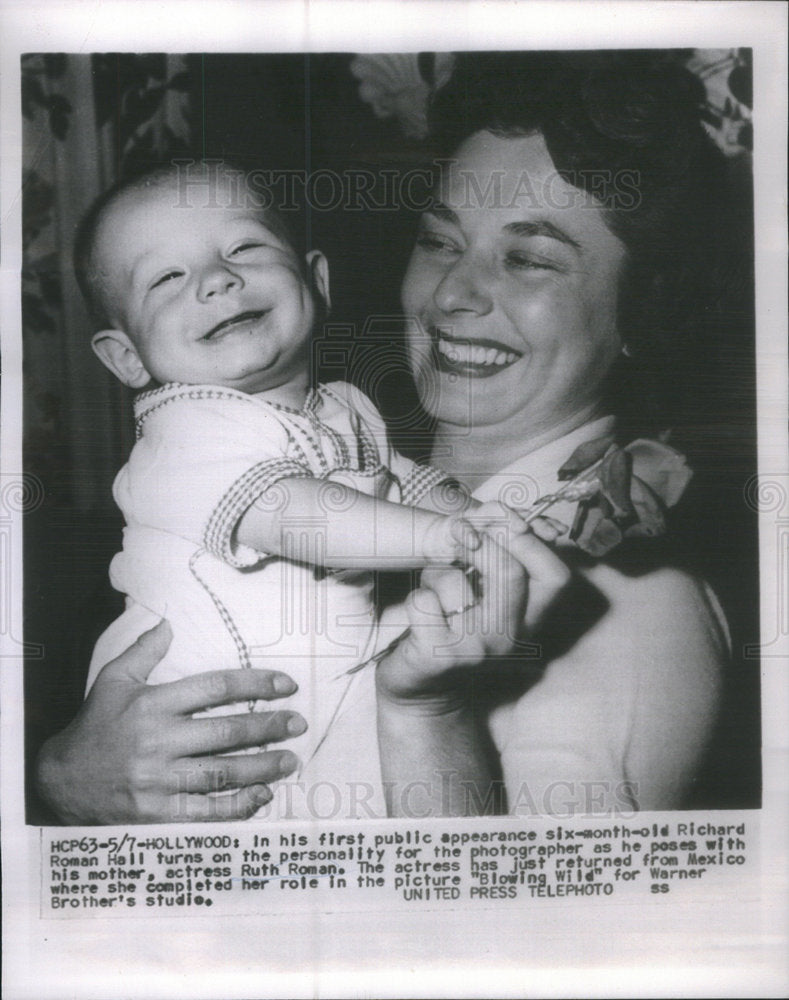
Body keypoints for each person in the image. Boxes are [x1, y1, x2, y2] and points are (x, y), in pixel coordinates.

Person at [36, 51, 732, 823]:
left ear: (644, 311)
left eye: (528, 260)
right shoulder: (329, 448)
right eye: (439, 242)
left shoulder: (628, 604)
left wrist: (427, 713)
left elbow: (528, 932)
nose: (454, 295)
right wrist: (69, 779)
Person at [72, 159, 556, 820]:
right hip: (201, 702)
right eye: (166, 278)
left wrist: (488, 516)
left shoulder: (345, 407)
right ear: (127, 356)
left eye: (244, 247)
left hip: (317, 686)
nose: (216, 280)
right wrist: (447, 536)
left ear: (315, 281)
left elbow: (413, 486)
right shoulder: (179, 434)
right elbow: (293, 512)